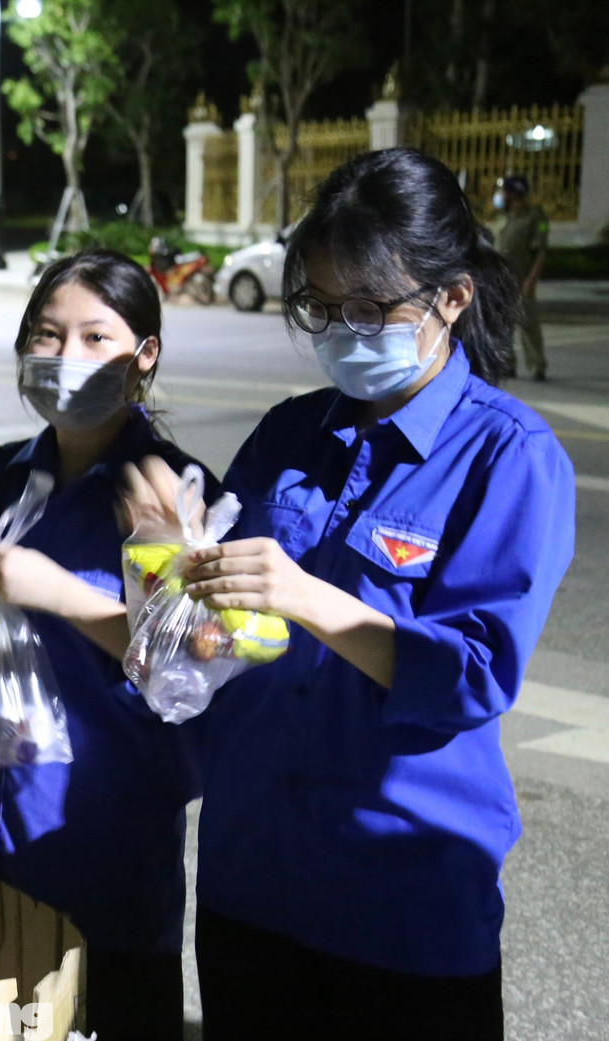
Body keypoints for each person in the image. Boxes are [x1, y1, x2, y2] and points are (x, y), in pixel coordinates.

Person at [157, 149, 574, 1041]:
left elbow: (472, 672)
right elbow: (229, 627)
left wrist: (310, 598)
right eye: (319, 306)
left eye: (368, 308)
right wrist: (181, 592)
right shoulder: (288, 432)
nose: (342, 330)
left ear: (451, 298)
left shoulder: (510, 457)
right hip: (250, 878)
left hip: (402, 903)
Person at [0, 248, 214, 1041]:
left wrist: (59, 593)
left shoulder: (171, 490)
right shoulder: (6, 473)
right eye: (46, 334)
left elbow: (189, 670)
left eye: (96, 338)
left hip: (97, 833)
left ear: (145, 357)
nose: (65, 357)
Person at [492, 174, 550, 381]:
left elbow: (541, 251)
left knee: (528, 323)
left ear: (514, 194)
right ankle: (508, 364)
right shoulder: (504, 218)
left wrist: (531, 279)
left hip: (522, 279)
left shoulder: (535, 218)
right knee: (504, 324)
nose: (500, 196)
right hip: (502, 281)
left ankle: (537, 365)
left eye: (504, 192)